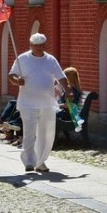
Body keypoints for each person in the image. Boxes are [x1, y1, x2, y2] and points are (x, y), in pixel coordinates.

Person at [9, 32, 68, 173]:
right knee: (29, 132)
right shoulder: (22, 58)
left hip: (47, 102)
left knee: (46, 133)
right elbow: (12, 75)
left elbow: (61, 76)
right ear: (31, 45)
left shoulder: (50, 60)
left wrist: (68, 89)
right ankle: (29, 161)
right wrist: (17, 81)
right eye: (36, 46)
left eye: (41, 45)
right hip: (27, 102)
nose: (39, 48)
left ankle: (41, 162)